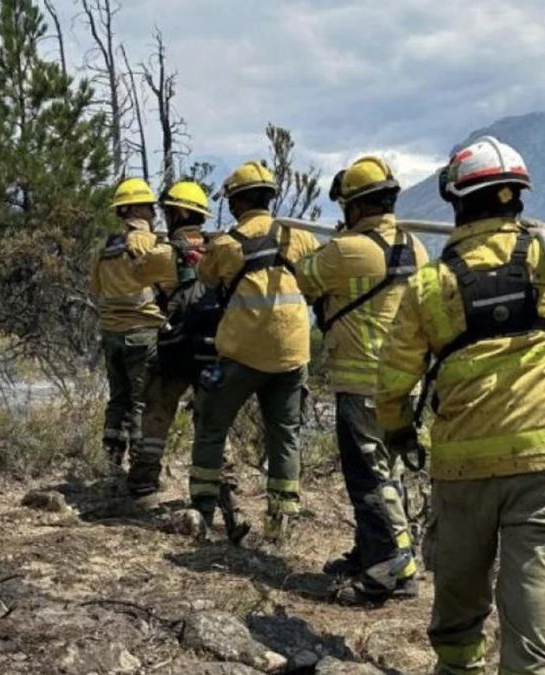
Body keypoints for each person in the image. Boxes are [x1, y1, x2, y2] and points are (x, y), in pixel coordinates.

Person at [376, 136, 545, 674]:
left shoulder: (430, 284)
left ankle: (458, 667)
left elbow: (394, 380)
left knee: (459, 583)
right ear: (517, 196)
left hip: (463, 462)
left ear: (455, 201)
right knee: (532, 586)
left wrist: (398, 433)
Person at [295, 156, 428, 604]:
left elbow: (303, 276)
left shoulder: (346, 250)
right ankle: (383, 553)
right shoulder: (417, 246)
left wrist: (334, 242)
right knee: (390, 474)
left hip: (361, 382)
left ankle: (385, 573)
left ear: (354, 207)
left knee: (368, 478)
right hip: (404, 384)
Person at [190, 160, 319, 544]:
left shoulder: (228, 243)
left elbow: (205, 278)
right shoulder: (298, 237)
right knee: (285, 437)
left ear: (238, 201)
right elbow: (315, 279)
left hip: (242, 354)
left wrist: (203, 254)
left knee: (211, 426)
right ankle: (281, 526)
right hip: (292, 354)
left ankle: (202, 510)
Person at [129, 180, 220, 497]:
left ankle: (144, 476)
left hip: (175, 345)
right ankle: (221, 486)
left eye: (168, 211)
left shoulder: (165, 252)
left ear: (177, 213)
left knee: (158, 408)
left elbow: (137, 273)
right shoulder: (218, 249)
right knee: (212, 418)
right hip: (213, 347)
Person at [90, 177, 179, 478]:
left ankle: (110, 464)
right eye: (151, 208)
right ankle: (141, 472)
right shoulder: (152, 245)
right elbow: (171, 286)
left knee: (118, 401)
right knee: (142, 403)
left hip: (111, 334)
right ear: (141, 210)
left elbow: (96, 289)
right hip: (142, 335)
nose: (154, 214)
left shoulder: (105, 248)